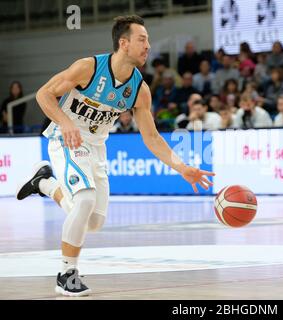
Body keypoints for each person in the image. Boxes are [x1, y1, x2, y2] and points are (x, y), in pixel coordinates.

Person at [15, 15, 214, 297]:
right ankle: (66, 273)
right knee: (84, 200)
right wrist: (65, 121)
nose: (148, 46)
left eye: (148, 40)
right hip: (67, 138)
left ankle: (44, 183)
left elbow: (152, 137)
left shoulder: (139, 89)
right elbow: (44, 95)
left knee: (93, 222)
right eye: (142, 39)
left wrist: (181, 167)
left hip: (96, 146)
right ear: (124, 43)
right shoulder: (88, 68)